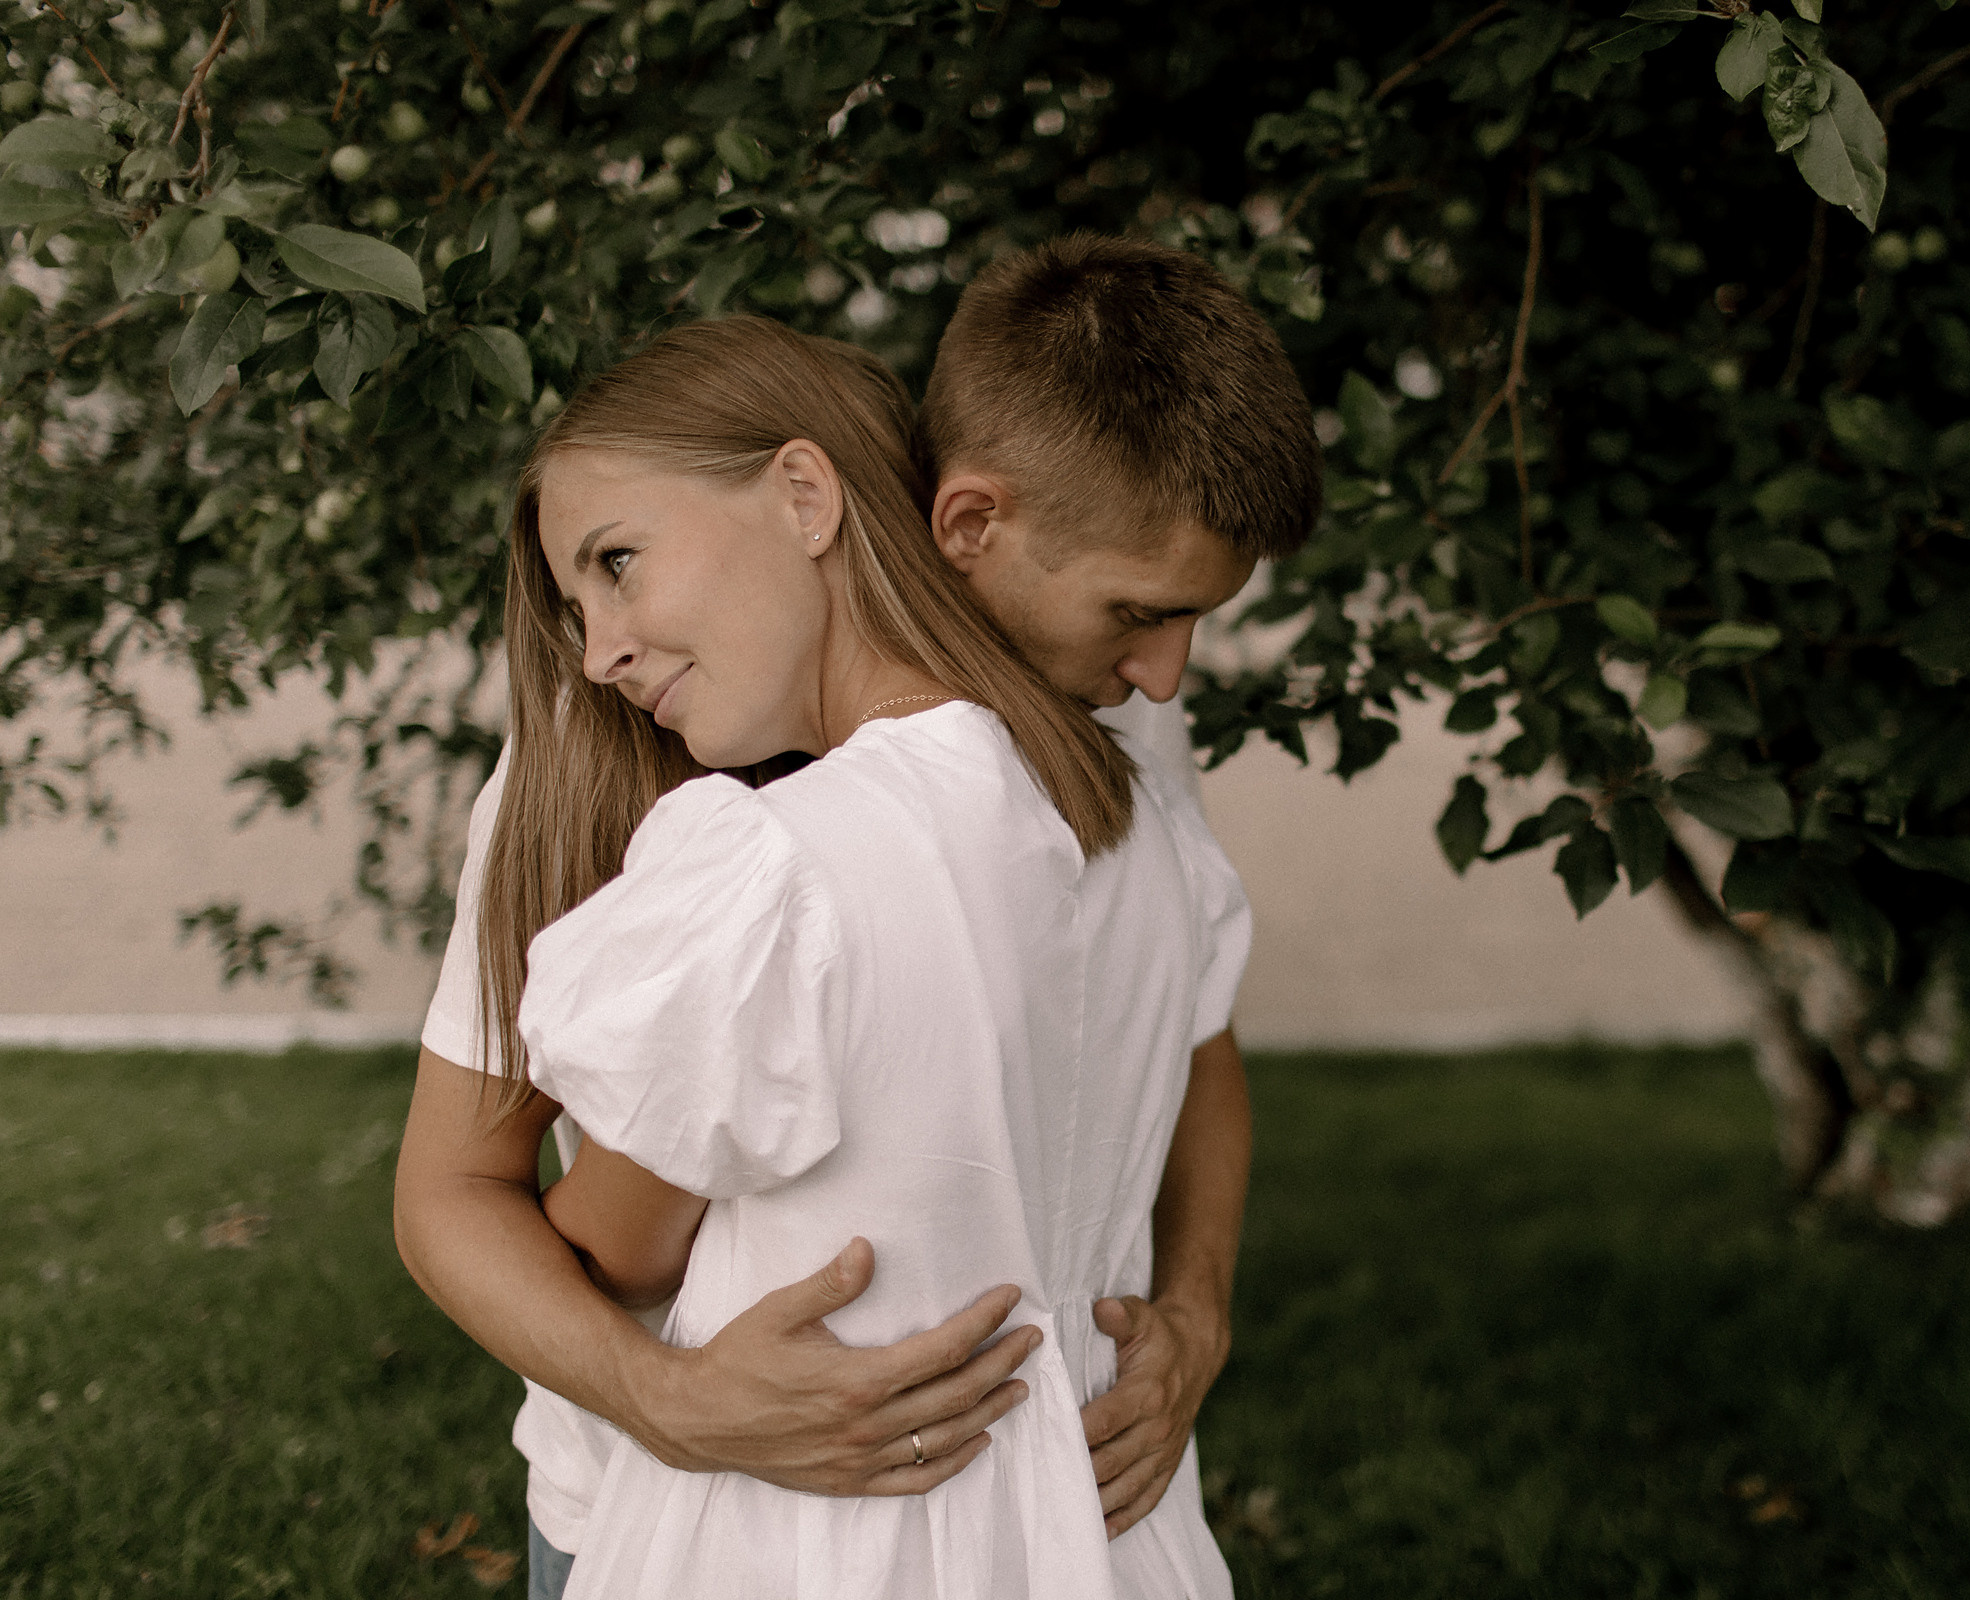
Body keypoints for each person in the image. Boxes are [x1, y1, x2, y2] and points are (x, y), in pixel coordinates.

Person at [390, 236, 1322, 1592]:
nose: (600, 649)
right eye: (584, 583)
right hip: (651, 1494)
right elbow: (461, 1195)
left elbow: (1191, 1049)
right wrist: (663, 1396)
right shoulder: (590, 786)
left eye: (623, 562)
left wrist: (1192, 1313)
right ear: (962, 523)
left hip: (986, 1513)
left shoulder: (1093, 753)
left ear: (806, 494)